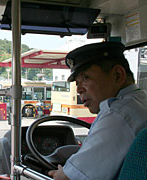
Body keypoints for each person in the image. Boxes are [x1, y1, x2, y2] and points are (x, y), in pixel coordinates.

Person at [48, 42, 147, 180]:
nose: (79, 90)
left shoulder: (117, 115)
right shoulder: (140, 102)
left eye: (85, 78)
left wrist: (60, 173)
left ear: (118, 75)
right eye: (77, 83)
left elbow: (69, 177)